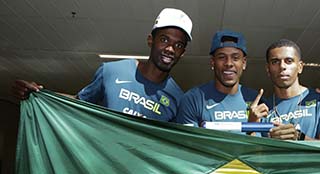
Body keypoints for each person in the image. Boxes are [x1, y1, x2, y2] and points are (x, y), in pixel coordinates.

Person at [11, 8, 192, 123]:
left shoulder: (178, 99)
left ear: (182, 53)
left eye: (178, 45)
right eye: (164, 39)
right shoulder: (112, 72)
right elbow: (79, 103)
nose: (170, 49)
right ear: (150, 40)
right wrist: (38, 95)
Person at [248, 39, 320, 141]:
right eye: (275, 62)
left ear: (300, 67)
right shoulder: (262, 109)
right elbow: (255, 153)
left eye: (289, 61)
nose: (282, 66)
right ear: (268, 69)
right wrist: (251, 125)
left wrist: (299, 137)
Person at [175, 30, 264, 131]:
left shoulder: (256, 100)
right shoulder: (193, 100)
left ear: (243, 63)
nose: (229, 63)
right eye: (222, 57)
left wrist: (252, 127)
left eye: (235, 58)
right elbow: (189, 143)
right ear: (213, 62)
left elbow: (267, 143)